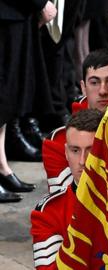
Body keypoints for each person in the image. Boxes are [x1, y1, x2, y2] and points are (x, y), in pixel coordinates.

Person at [31, 109, 104, 269]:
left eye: (91, 150)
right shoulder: (49, 211)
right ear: (65, 152)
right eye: (75, 150)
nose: (82, 161)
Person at [0, 0, 57, 202]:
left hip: (15, 12)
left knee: (6, 98)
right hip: (7, 12)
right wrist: (40, 3)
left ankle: (2, 166)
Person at [42, 49, 108, 193]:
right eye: (94, 82)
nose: (103, 91)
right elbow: (66, 199)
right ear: (83, 88)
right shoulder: (57, 140)